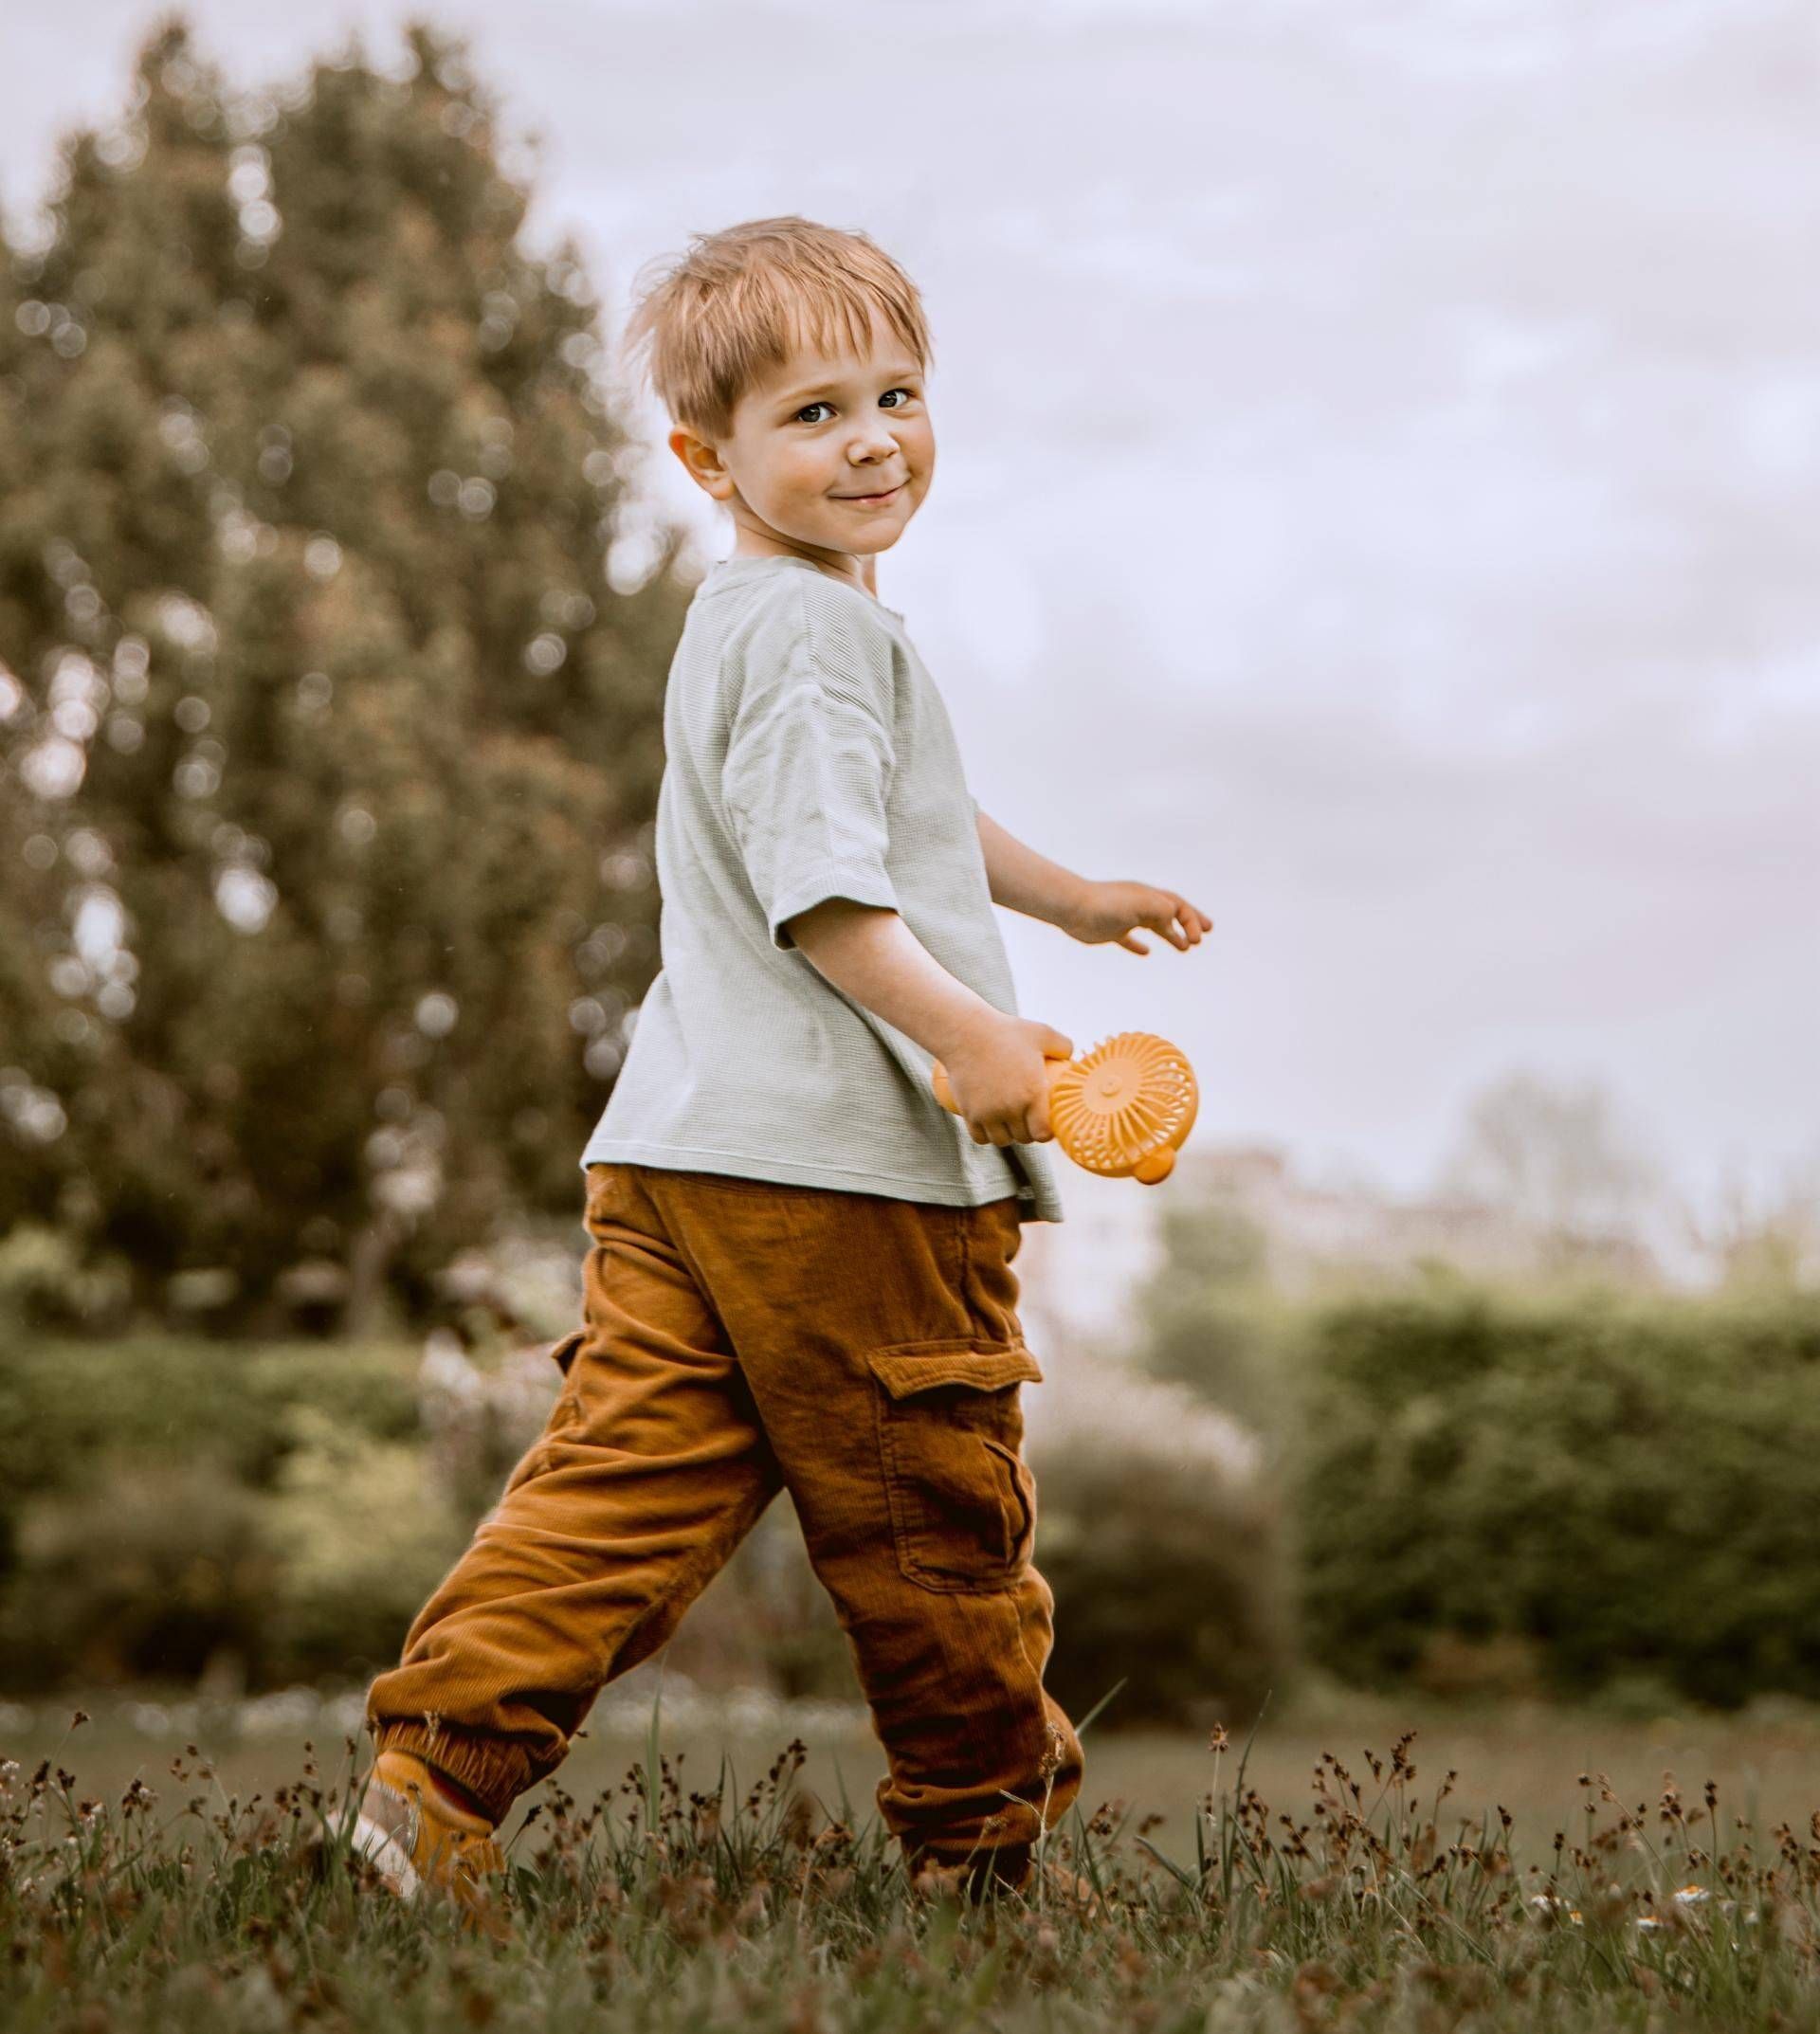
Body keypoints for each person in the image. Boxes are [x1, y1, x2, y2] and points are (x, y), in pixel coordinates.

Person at [353, 215, 1212, 1918]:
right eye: (814, 412)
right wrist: (972, 1034)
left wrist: (1066, 896)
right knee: (931, 1507)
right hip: (843, 1178)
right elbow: (825, 891)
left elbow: (903, 818)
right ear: (707, 457)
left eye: (897, 393)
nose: (875, 437)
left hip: (681, 1154)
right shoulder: (823, 637)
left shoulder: (764, 621)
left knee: (619, 1483)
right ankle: (987, 1854)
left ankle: (428, 1790)